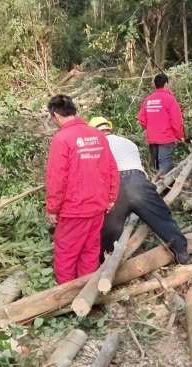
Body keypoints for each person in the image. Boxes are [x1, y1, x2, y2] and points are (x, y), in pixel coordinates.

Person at [88, 116, 190, 264]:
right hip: (138, 181)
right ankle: (182, 252)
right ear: (109, 128)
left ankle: (103, 262)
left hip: (115, 185)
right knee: (161, 218)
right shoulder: (128, 142)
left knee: (109, 229)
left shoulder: (96, 146)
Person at [46, 95, 119, 284]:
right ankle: (86, 292)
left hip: (74, 209)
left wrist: (53, 208)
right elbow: (111, 168)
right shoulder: (97, 135)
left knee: (66, 253)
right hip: (97, 207)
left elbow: (57, 178)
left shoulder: (61, 139)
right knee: (89, 251)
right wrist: (111, 197)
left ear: (55, 115)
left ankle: (66, 297)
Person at [137, 73, 184, 177]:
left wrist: (150, 129)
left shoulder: (148, 100)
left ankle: (155, 190)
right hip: (166, 138)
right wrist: (180, 135)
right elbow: (176, 121)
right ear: (166, 84)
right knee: (165, 168)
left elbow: (141, 119)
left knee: (155, 167)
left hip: (152, 138)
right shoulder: (170, 99)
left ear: (155, 85)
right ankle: (165, 190)